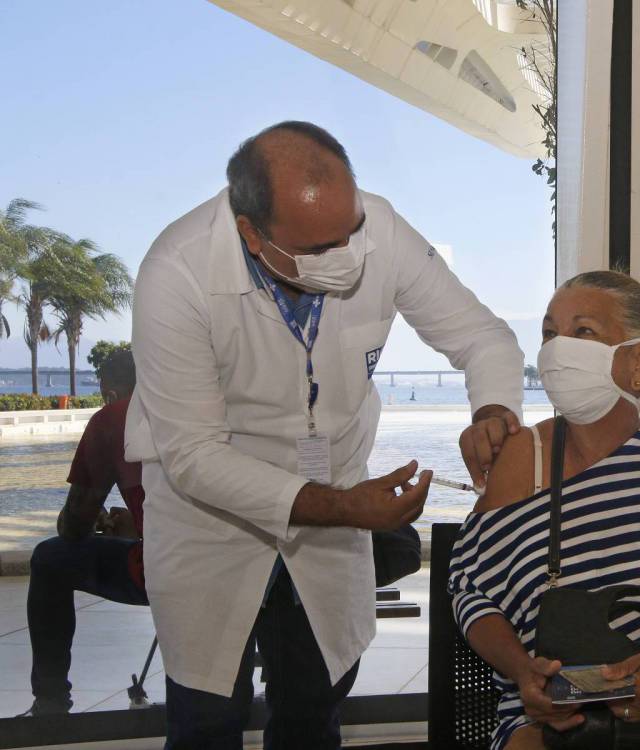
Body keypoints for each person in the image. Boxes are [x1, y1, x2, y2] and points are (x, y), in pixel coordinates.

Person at [126, 121, 524, 749]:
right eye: (319, 248)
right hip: (210, 522)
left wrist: (492, 412)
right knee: (207, 718)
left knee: (313, 710)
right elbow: (195, 456)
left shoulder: (381, 229)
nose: (347, 254)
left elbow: (482, 336)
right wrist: (345, 508)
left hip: (331, 500)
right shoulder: (176, 271)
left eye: (351, 230)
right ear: (251, 234)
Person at [448, 271, 640, 750]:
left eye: (583, 332)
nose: (558, 349)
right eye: (550, 333)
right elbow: (470, 588)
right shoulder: (522, 458)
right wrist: (523, 671)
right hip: (545, 726)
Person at [22, 349, 146, 716]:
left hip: (161, 569)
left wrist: (92, 521)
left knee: (49, 560)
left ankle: (51, 701)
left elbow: (75, 526)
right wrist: (137, 524)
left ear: (111, 391)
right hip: (232, 564)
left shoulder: (112, 419)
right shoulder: (193, 408)